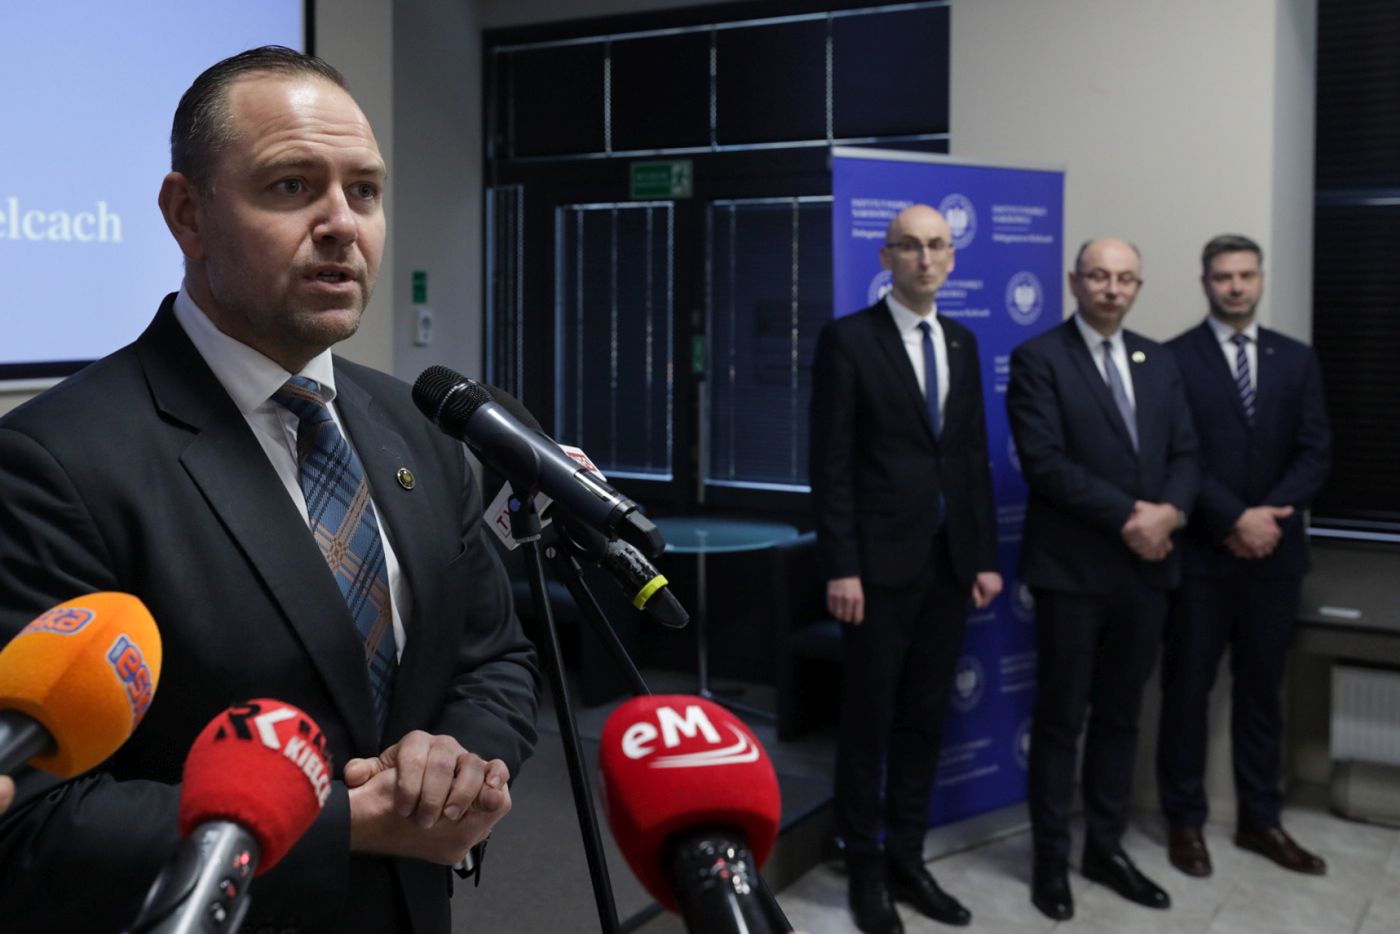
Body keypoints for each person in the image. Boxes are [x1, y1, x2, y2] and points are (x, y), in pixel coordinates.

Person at [0, 47, 539, 932]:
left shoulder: (418, 428)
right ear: (188, 214)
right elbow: (31, 820)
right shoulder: (51, 464)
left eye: (364, 191)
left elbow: (492, 659)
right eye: (292, 186)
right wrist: (347, 826)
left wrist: (457, 765)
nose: (342, 225)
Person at [810, 204, 1002, 933]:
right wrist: (842, 566)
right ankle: (864, 868)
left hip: (948, 567)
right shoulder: (849, 340)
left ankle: (908, 859)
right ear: (886, 257)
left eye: (937, 246)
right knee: (868, 724)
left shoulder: (962, 341)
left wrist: (982, 557)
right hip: (875, 572)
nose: (925, 258)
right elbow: (830, 463)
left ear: (952, 257)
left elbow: (970, 458)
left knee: (925, 720)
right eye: (911, 246)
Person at [1006, 238, 1198, 921]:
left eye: (1124, 279)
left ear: (1138, 286)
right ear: (1074, 282)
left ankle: (1105, 849)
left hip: (1148, 571)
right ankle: (1050, 860)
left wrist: (1171, 513)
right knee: (1062, 719)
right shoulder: (1039, 358)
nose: (1112, 289)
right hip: (1073, 572)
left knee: (1121, 717)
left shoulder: (1159, 360)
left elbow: (1186, 453)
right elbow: (1044, 463)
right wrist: (1133, 518)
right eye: (1098, 276)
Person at [1157, 234, 1330, 878]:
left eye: (1246, 276)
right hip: (1202, 558)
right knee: (1186, 694)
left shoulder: (1297, 359)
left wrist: (1266, 519)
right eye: (1224, 276)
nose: (1236, 287)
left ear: (1260, 280)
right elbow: (1177, 454)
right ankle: (1184, 822)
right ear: (1205, 282)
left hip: (1274, 560)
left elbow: (1315, 451)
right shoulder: (1173, 359)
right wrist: (1233, 517)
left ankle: (1261, 820)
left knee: (1262, 695)